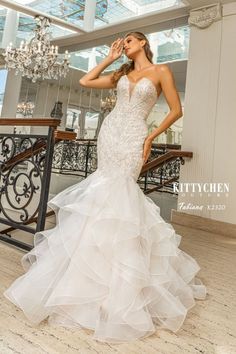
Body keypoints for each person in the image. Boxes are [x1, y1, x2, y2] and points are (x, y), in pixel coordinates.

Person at [3, 31, 207, 343]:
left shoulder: (161, 71)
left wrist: (151, 137)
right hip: (110, 133)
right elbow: (86, 82)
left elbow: (176, 110)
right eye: (122, 42)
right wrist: (110, 58)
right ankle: (87, 284)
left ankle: (123, 287)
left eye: (128, 41)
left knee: (122, 195)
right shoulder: (121, 73)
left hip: (135, 135)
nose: (124, 44)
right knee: (101, 196)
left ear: (143, 43)